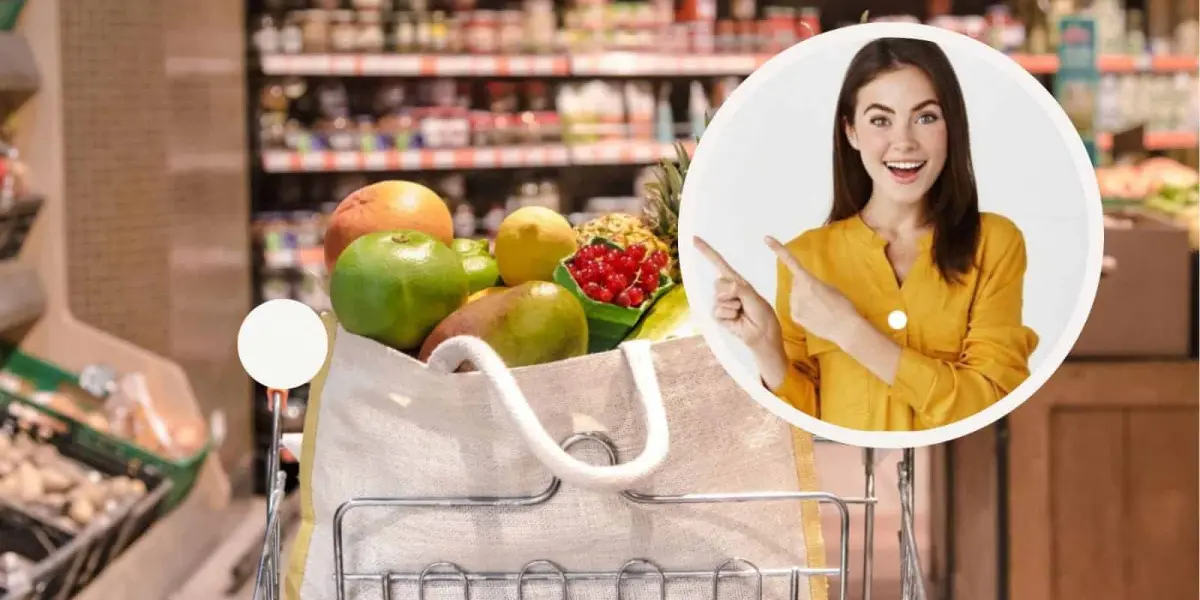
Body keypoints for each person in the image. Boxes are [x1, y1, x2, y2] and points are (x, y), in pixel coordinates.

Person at [694, 37, 1039, 432]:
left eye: (926, 117)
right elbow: (805, 430)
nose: (904, 141)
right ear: (851, 132)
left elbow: (992, 402)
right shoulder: (806, 257)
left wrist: (851, 332)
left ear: (952, 128)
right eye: (880, 120)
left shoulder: (994, 242)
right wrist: (765, 347)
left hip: (954, 473)